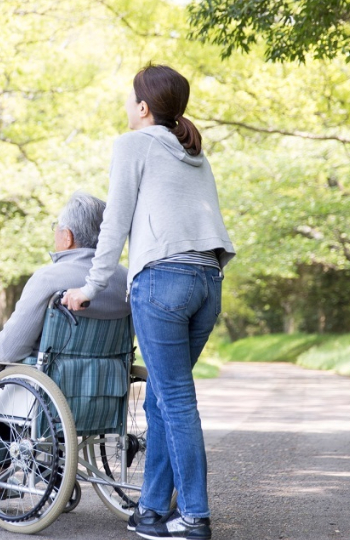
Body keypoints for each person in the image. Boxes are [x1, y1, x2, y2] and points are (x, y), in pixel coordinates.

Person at [62, 64, 235, 540]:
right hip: (207, 281)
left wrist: (90, 288)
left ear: (143, 107)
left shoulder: (133, 143)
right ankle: (153, 511)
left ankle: (195, 515)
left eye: (129, 98)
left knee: (175, 399)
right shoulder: (192, 152)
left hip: (163, 280)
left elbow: (114, 223)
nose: (126, 104)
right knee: (161, 398)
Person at [0, 192, 130, 488]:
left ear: (67, 237)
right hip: (102, 391)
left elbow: (9, 348)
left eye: (56, 228)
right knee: (9, 376)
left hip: (46, 389)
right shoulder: (126, 281)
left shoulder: (50, 277)